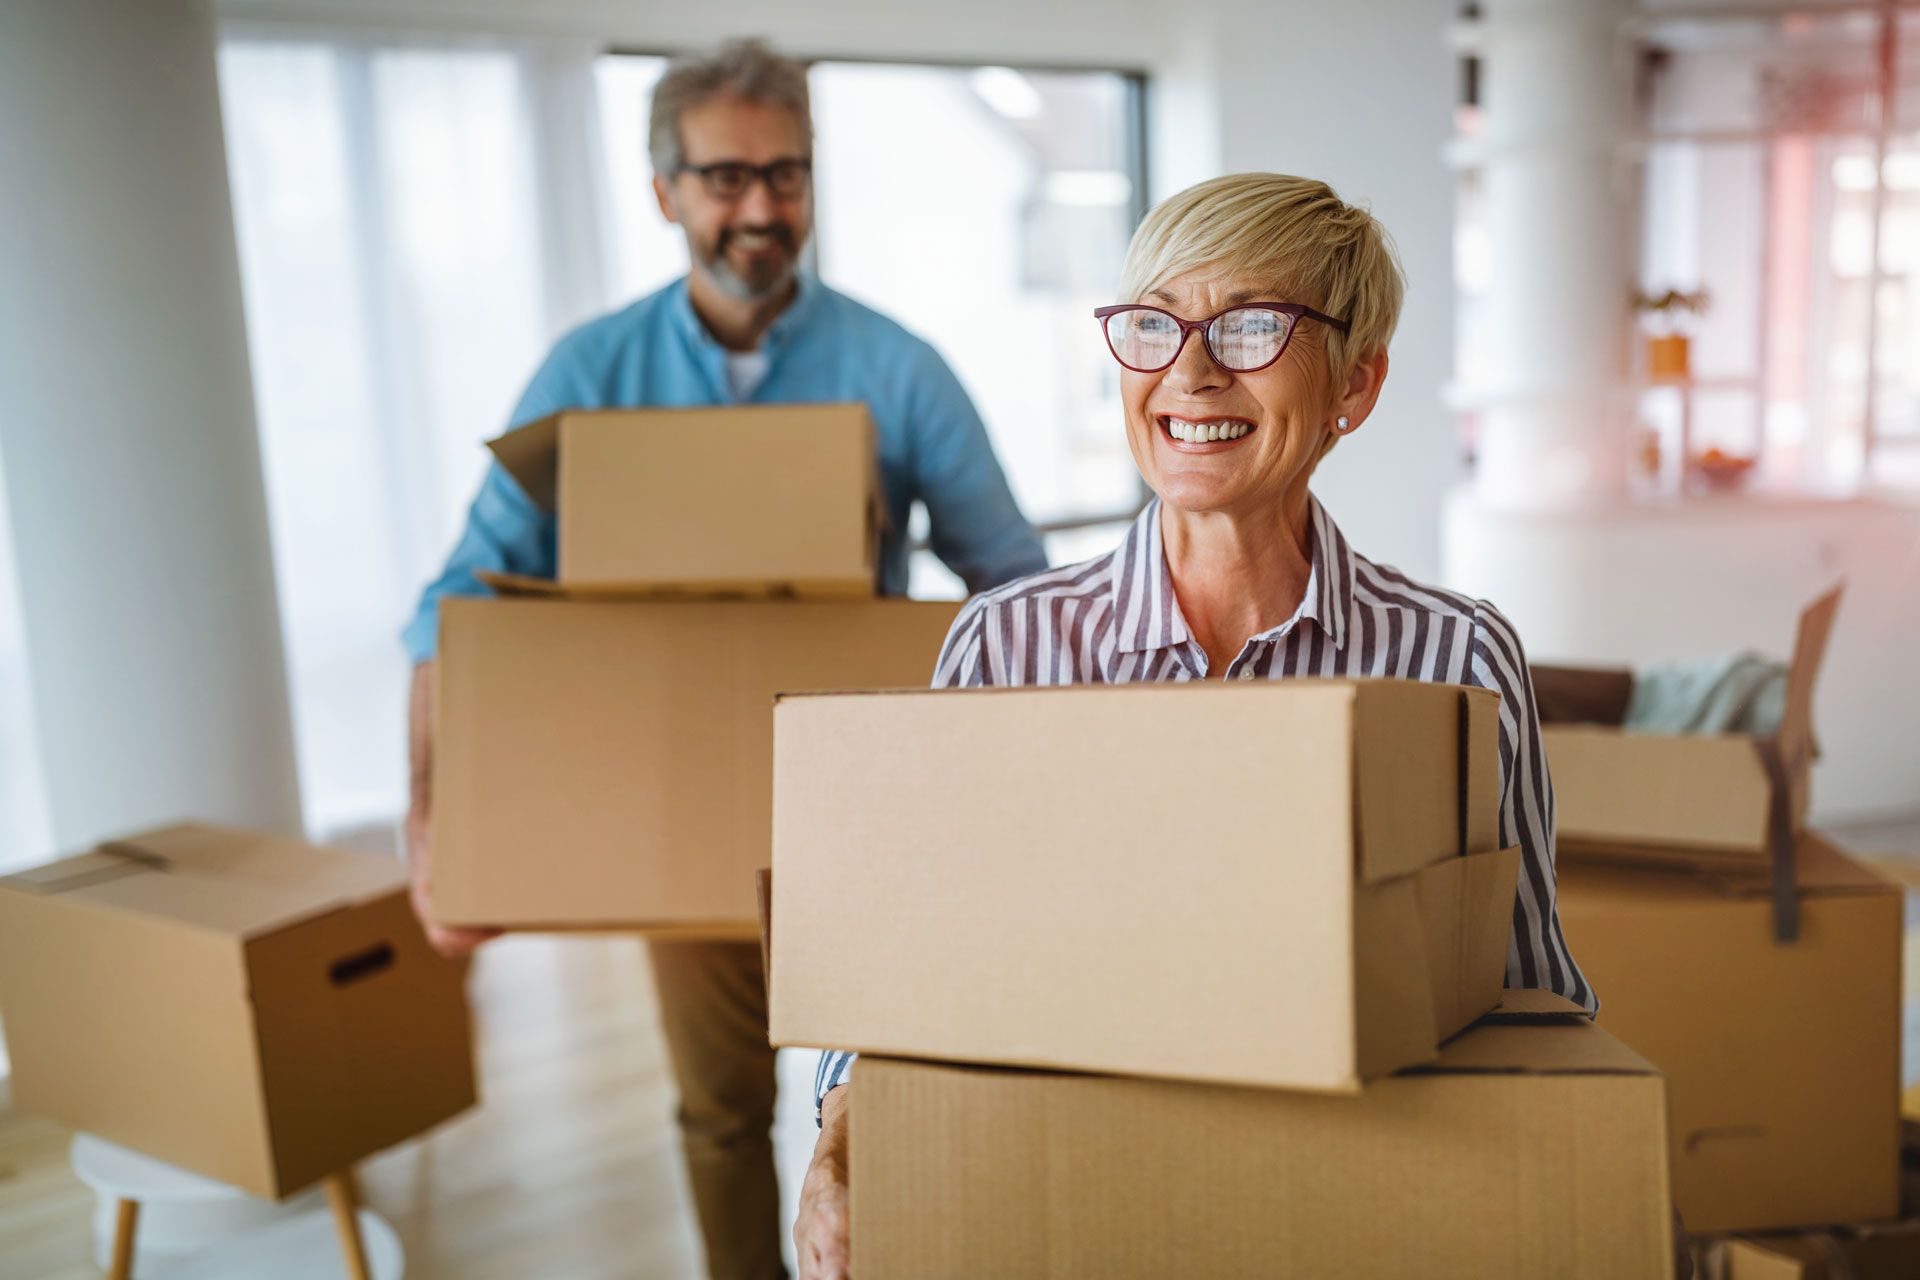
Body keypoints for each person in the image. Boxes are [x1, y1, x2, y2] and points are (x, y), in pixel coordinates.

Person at [791, 172, 1608, 1280]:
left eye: (1253, 326)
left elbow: (1531, 984)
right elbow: (905, 964)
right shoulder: (1006, 648)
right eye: (1154, 324)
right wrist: (840, 1142)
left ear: (1354, 385)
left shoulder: (1457, 660)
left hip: (1351, 1216)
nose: (1190, 370)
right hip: (1063, 1209)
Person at [400, 39, 1047, 1280]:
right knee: (718, 1112)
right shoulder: (594, 372)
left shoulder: (896, 368)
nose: (761, 206)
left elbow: (1011, 584)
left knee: (897, 1105)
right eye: (726, 176)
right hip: (680, 804)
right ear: (666, 192)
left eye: (787, 175)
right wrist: (433, 825)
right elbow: (453, 604)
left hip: (867, 809)